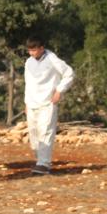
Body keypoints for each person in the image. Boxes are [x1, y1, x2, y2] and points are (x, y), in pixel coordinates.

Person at [23, 37, 75, 174]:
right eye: (29, 50)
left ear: (41, 48)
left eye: (34, 50)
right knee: (34, 134)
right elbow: (28, 83)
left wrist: (59, 91)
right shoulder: (29, 62)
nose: (31, 53)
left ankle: (44, 164)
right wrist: (26, 102)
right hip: (32, 103)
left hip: (47, 102)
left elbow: (69, 73)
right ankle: (39, 161)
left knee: (45, 131)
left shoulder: (52, 59)